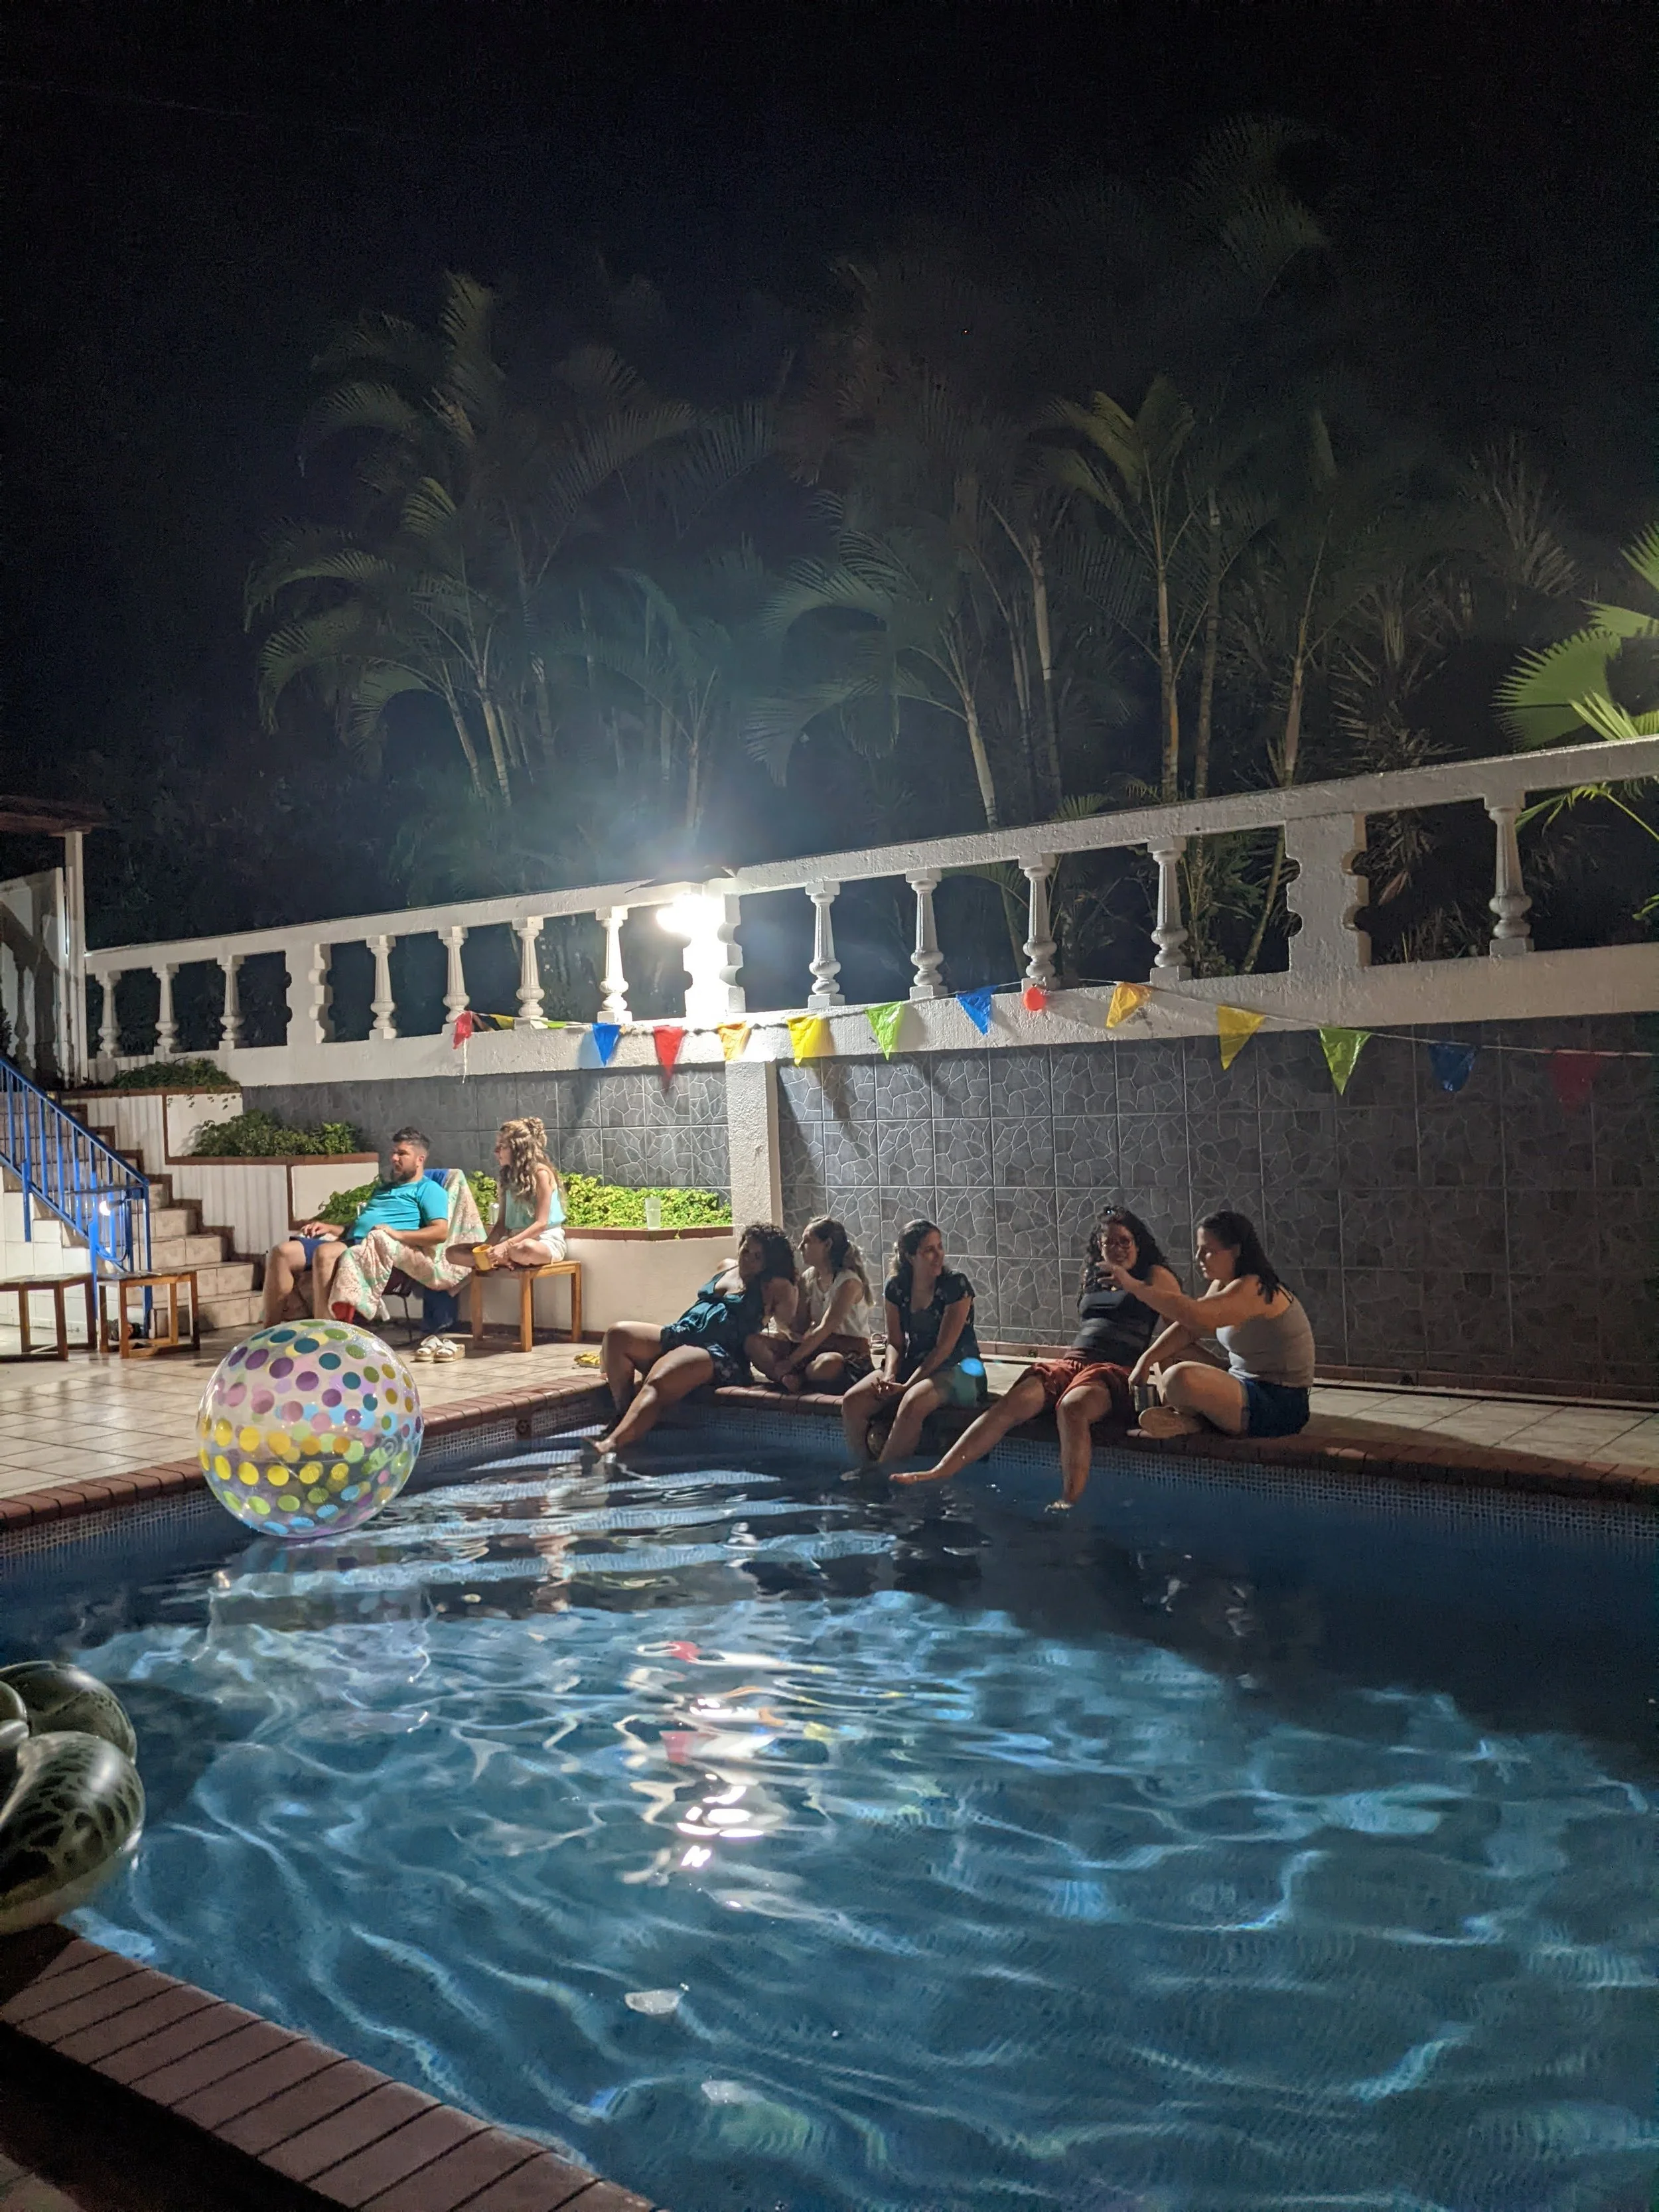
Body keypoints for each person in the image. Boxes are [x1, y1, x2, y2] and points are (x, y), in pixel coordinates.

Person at [897, 1205, 1181, 1505]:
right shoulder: (1095, 1275)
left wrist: (1165, 1386)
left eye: (1125, 1241)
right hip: (1074, 1362)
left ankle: (1068, 1501)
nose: (1118, 1249)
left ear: (1138, 1244)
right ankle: (940, 1471)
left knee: (1072, 1408)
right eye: (1109, 1242)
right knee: (1013, 1402)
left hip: (1115, 1369)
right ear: (1099, 1246)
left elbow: (1178, 1330)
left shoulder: (1154, 1276)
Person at [595, 1223, 798, 1456]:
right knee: (617, 1335)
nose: (748, 1258)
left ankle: (610, 1446)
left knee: (659, 1379)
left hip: (717, 1353)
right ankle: (624, 1416)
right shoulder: (726, 1267)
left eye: (758, 1257)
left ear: (768, 1263)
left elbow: (791, 1326)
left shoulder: (771, 1288)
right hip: (682, 1332)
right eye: (746, 1250)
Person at [1117, 1209, 1315, 1440]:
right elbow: (1189, 1329)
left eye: (1208, 1250)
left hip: (1280, 1402)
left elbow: (1197, 1316)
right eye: (1198, 1249)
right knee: (1168, 1350)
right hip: (1242, 1384)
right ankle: (1189, 1419)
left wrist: (1136, 1287)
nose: (1198, 1257)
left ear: (1236, 1251)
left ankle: (1193, 1420)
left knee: (1178, 1377)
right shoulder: (1223, 1284)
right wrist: (1146, 1360)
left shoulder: (1253, 1287)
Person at [261, 1127, 451, 1324]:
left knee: (325, 1253)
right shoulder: (384, 1189)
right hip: (352, 1242)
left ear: (420, 1160)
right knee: (282, 1253)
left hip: (378, 1251)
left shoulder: (429, 1189)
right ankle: (269, 1330)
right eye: (394, 1152)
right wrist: (331, 1228)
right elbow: (358, 1228)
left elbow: (440, 1232)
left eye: (402, 1153)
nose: (394, 1158)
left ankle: (323, 1329)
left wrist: (397, 1234)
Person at [840, 1220, 986, 1466]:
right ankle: (862, 1468)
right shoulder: (897, 1287)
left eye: (939, 1247)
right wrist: (890, 1376)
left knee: (913, 1401)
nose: (938, 1255)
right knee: (853, 1401)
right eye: (929, 1250)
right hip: (915, 1363)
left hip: (959, 1368)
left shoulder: (955, 1286)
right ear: (910, 1256)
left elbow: (944, 1348)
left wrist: (908, 1385)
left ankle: (884, 1476)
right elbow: (895, 1343)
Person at [748, 1217, 875, 1394]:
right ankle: (787, 1378)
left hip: (848, 1354)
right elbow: (800, 1328)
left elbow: (825, 1328)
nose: (801, 1247)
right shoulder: (808, 1278)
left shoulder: (848, 1283)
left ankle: (798, 1377)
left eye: (807, 1241)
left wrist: (790, 1361)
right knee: (753, 1342)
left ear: (827, 1245)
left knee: (828, 1364)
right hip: (814, 1349)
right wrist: (784, 1296)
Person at [473, 1118, 567, 1272]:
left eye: (502, 1147)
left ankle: (505, 1258)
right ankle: (504, 1258)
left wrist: (506, 1246)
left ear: (518, 1149)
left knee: (526, 1248)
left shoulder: (541, 1174)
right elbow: (501, 1225)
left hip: (543, 1240)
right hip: (512, 1241)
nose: (496, 1151)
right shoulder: (505, 1179)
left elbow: (541, 1224)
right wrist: (485, 1250)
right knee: (455, 1252)